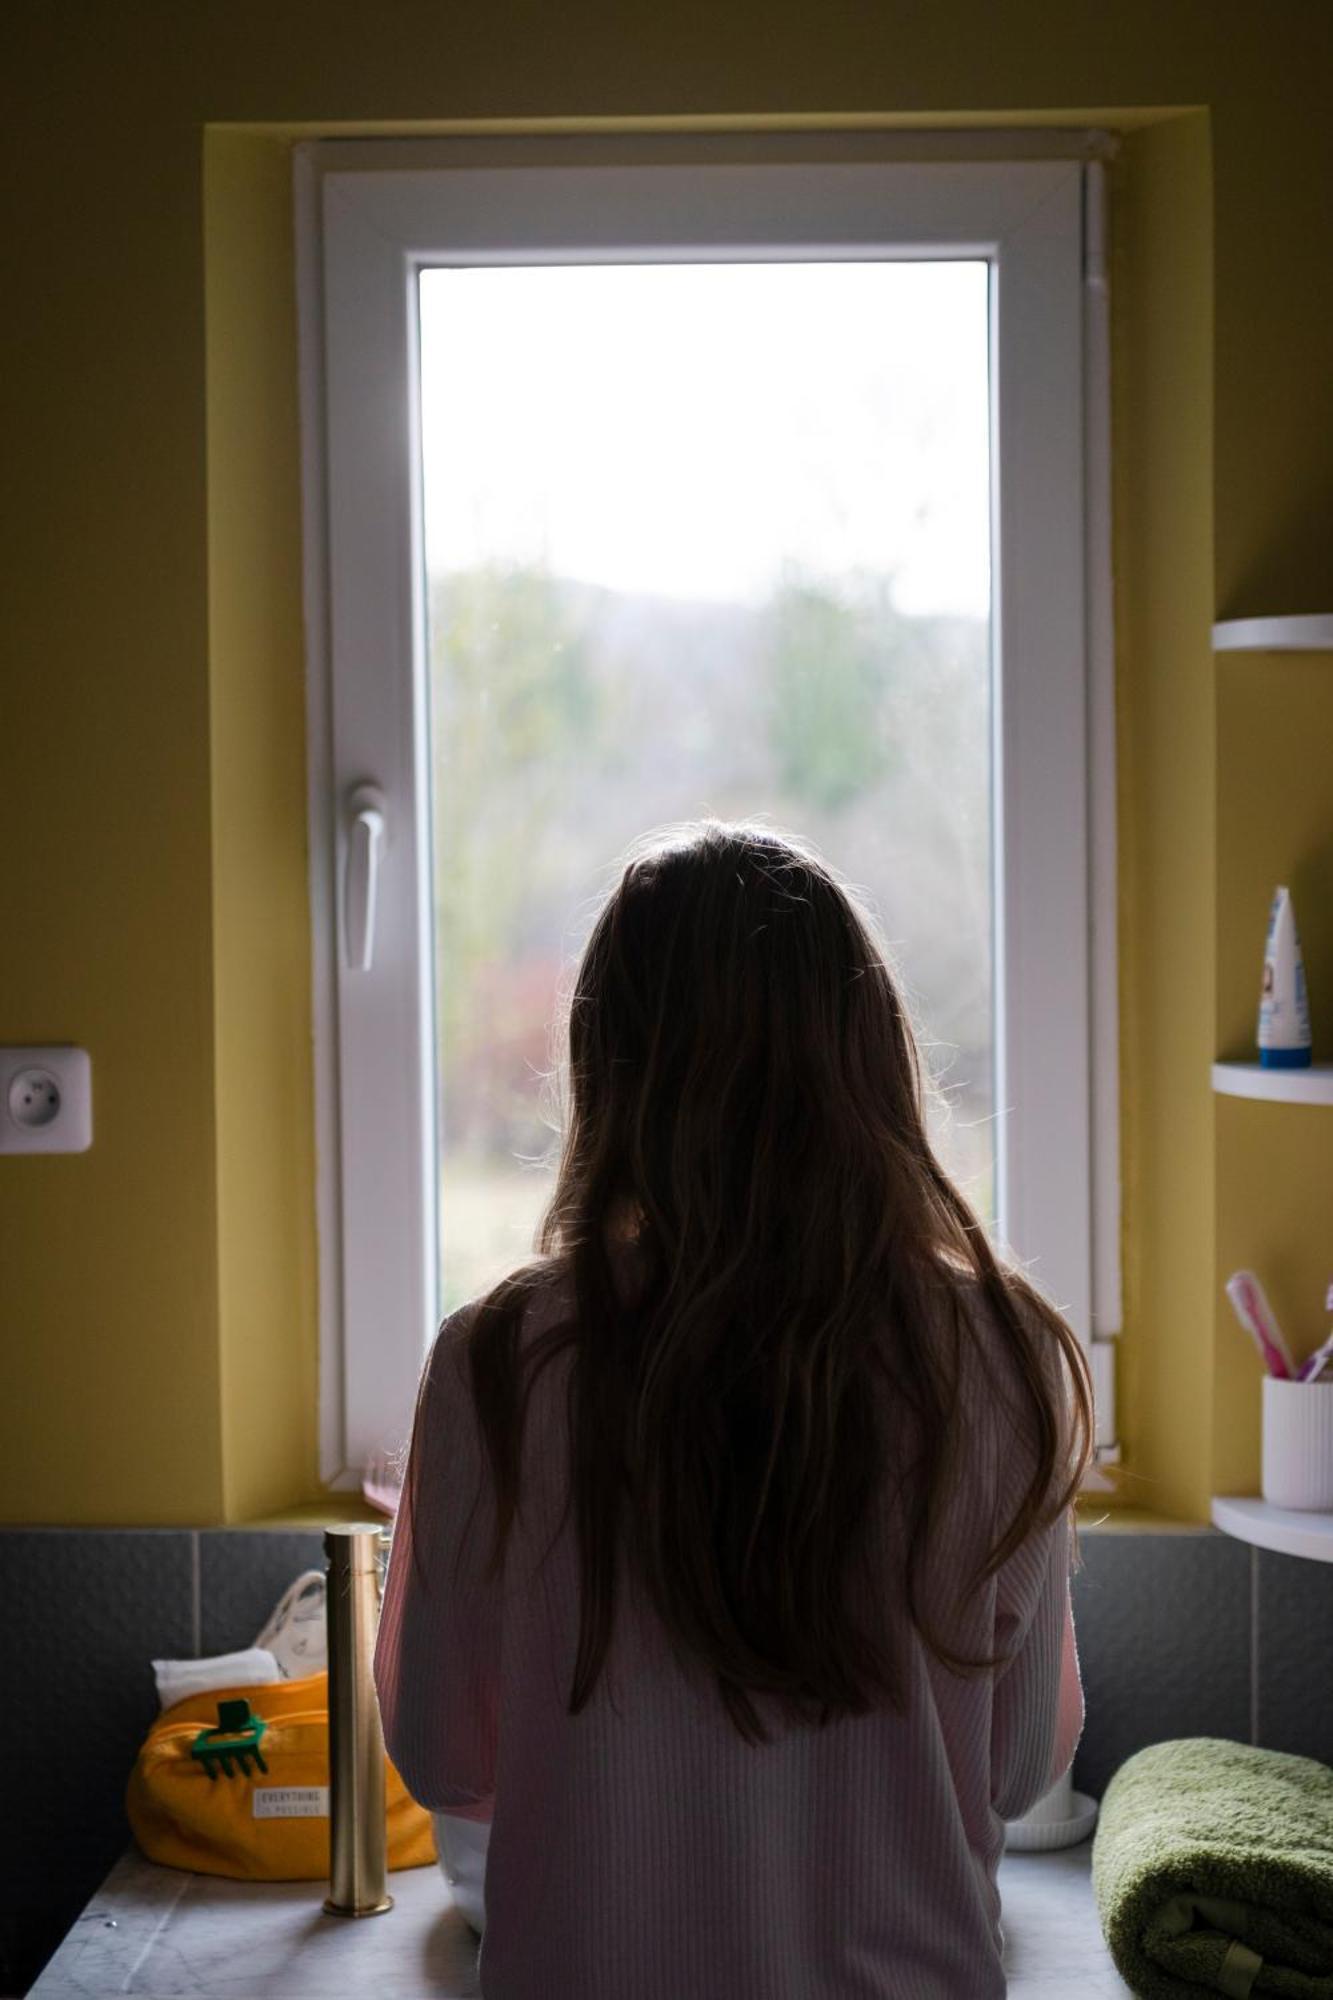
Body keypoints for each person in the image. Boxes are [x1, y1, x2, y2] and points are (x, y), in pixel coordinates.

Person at [374, 820, 1093, 1999]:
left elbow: (446, 1756)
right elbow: (1019, 1770)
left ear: (611, 1066)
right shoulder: (999, 1356)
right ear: (869, 1058)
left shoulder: (499, 1362)